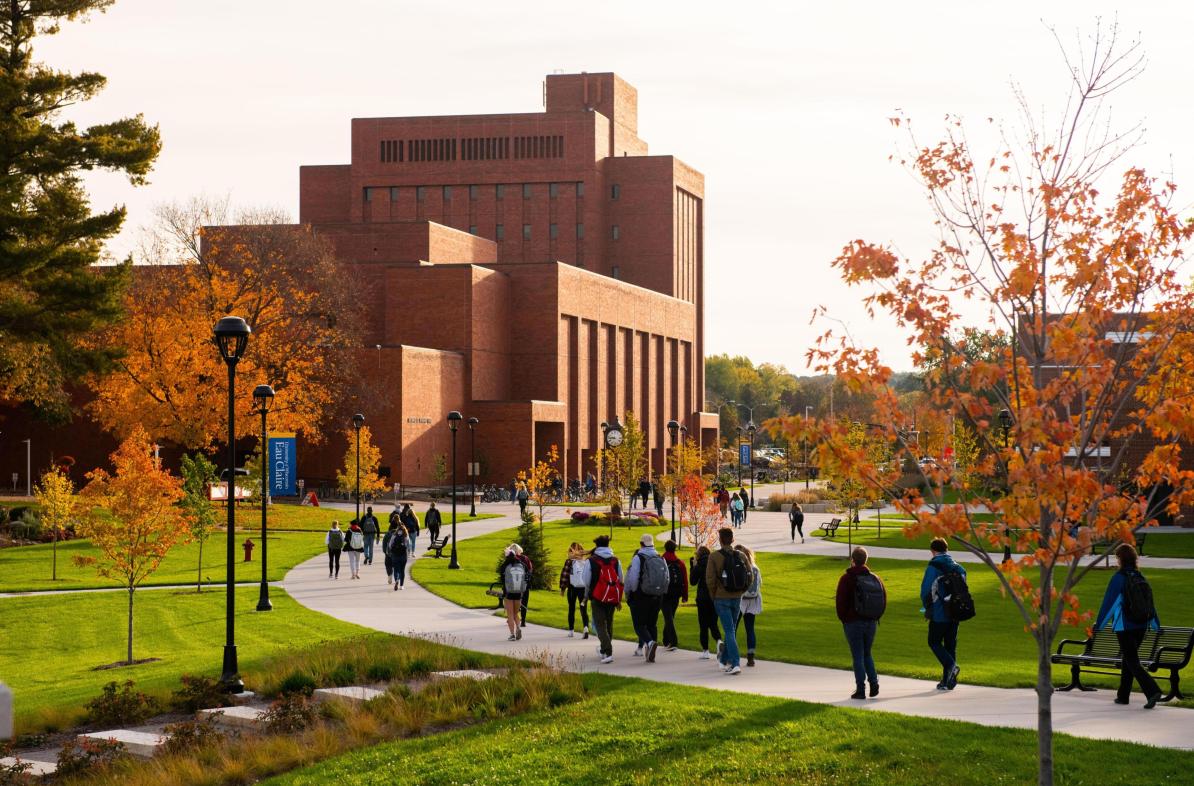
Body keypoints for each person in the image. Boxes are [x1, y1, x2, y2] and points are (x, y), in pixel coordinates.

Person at [1095, 543, 1163, 708]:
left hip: (1125, 627)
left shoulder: (1119, 578)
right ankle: (1123, 696)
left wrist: (1099, 626)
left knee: (1132, 661)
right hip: (1141, 626)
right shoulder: (1140, 577)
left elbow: (1109, 604)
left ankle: (1153, 690)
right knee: (1128, 659)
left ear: (1119, 559)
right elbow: (1150, 605)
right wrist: (1156, 625)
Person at [837, 546, 885, 699]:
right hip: (870, 621)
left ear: (852, 560)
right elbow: (883, 600)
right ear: (865, 560)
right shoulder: (875, 578)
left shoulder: (846, 578)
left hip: (853, 622)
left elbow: (840, 603)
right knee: (867, 653)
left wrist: (845, 618)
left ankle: (860, 689)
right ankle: (874, 682)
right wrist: (875, 616)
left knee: (857, 655)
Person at [921, 537, 965, 690]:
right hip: (956, 612)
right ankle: (948, 681)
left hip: (940, 612)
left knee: (933, 641)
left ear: (933, 551)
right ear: (946, 549)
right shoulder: (959, 568)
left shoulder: (933, 567)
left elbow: (926, 590)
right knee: (950, 645)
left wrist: (928, 608)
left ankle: (952, 666)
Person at [706, 527, 748, 674]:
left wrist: (714, 595)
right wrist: (741, 591)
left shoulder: (714, 557)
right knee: (731, 630)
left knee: (729, 630)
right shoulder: (742, 555)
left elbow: (710, 580)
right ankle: (724, 660)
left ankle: (735, 663)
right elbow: (750, 577)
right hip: (737, 598)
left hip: (721, 598)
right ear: (732, 540)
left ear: (720, 540)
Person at [625, 533, 667, 662]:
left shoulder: (638, 557)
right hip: (657, 596)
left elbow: (633, 578)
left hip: (641, 596)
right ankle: (650, 652)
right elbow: (667, 577)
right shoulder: (660, 557)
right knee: (652, 624)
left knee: (639, 624)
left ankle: (649, 642)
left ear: (641, 544)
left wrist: (632, 592)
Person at [587, 534, 624, 664]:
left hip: (597, 597)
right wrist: (619, 599)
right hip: (613, 596)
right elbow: (621, 579)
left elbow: (586, 580)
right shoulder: (616, 560)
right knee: (609, 622)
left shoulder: (591, 560)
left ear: (597, 546)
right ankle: (604, 650)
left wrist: (587, 595)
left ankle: (608, 651)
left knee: (600, 624)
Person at [690, 545, 721, 659]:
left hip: (703, 598)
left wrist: (692, 567)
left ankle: (705, 650)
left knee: (703, 624)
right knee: (713, 622)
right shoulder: (714, 563)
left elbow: (693, 581)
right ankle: (718, 641)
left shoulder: (699, 565)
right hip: (714, 597)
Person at [559, 542, 592, 638]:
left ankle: (571, 630)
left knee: (571, 608)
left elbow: (564, 575)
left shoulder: (569, 561)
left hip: (573, 588)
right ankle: (585, 627)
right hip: (583, 588)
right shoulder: (586, 561)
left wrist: (562, 588)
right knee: (583, 609)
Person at [736, 544, 762, 667]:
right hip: (753, 600)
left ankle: (731, 655)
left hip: (740, 600)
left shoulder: (740, 567)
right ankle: (751, 657)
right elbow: (759, 584)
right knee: (750, 629)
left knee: (732, 628)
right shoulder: (755, 568)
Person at [661, 539, 688, 651]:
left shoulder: (661, 561)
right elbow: (685, 580)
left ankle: (673, 642)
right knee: (670, 616)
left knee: (668, 617)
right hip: (676, 593)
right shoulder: (680, 563)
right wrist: (685, 595)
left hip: (664, 592)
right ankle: (666, 640)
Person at [499, 545, 528, 640]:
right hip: (519, 592)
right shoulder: (521, 564)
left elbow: (502, 579)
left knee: (510, 614)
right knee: (516, 613)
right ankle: (518, 628)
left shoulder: (505, 566)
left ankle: (512, 634)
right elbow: (527, 575)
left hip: (508, 592)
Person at [511, 543, 534, 626]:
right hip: (524, 584)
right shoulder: (525, 558)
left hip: (513, 585)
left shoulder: (510, 559)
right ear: (519, 550)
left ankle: (513, 619)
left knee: (513, 602)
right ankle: (523, 621)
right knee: (525, 601)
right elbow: (530, 569)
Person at [388, 519, 410, 590]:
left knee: (396, 569)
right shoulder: (406, 535)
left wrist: (392, 550)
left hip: (395, 555)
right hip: (403, 555)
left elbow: (390, 545)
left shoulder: (394, 535)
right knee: (402, 570)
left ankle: (396, 580)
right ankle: (401, 585)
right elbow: (408, 545)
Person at [382, 519, 401, 585]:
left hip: (388, 553)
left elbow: (384, 544)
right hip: (397, 553)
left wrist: (385, 551)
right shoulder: (399, 534)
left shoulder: (387, 534)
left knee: (388, 565)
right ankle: (397, 578)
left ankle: (389, 575)